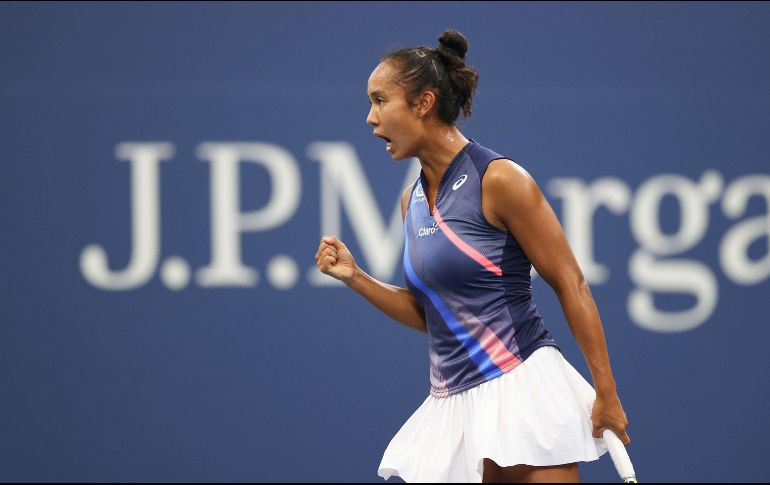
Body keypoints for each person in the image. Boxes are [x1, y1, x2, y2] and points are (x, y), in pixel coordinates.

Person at [314, 29, 630, 483]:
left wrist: (606, 391)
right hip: (453, 410)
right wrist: (356, 277)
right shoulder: (412, 202)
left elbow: (570, 283)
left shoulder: (500, 180)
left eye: (380, 100)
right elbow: (433, 315)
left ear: (422, 103)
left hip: (522, 388)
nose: (370, 117)